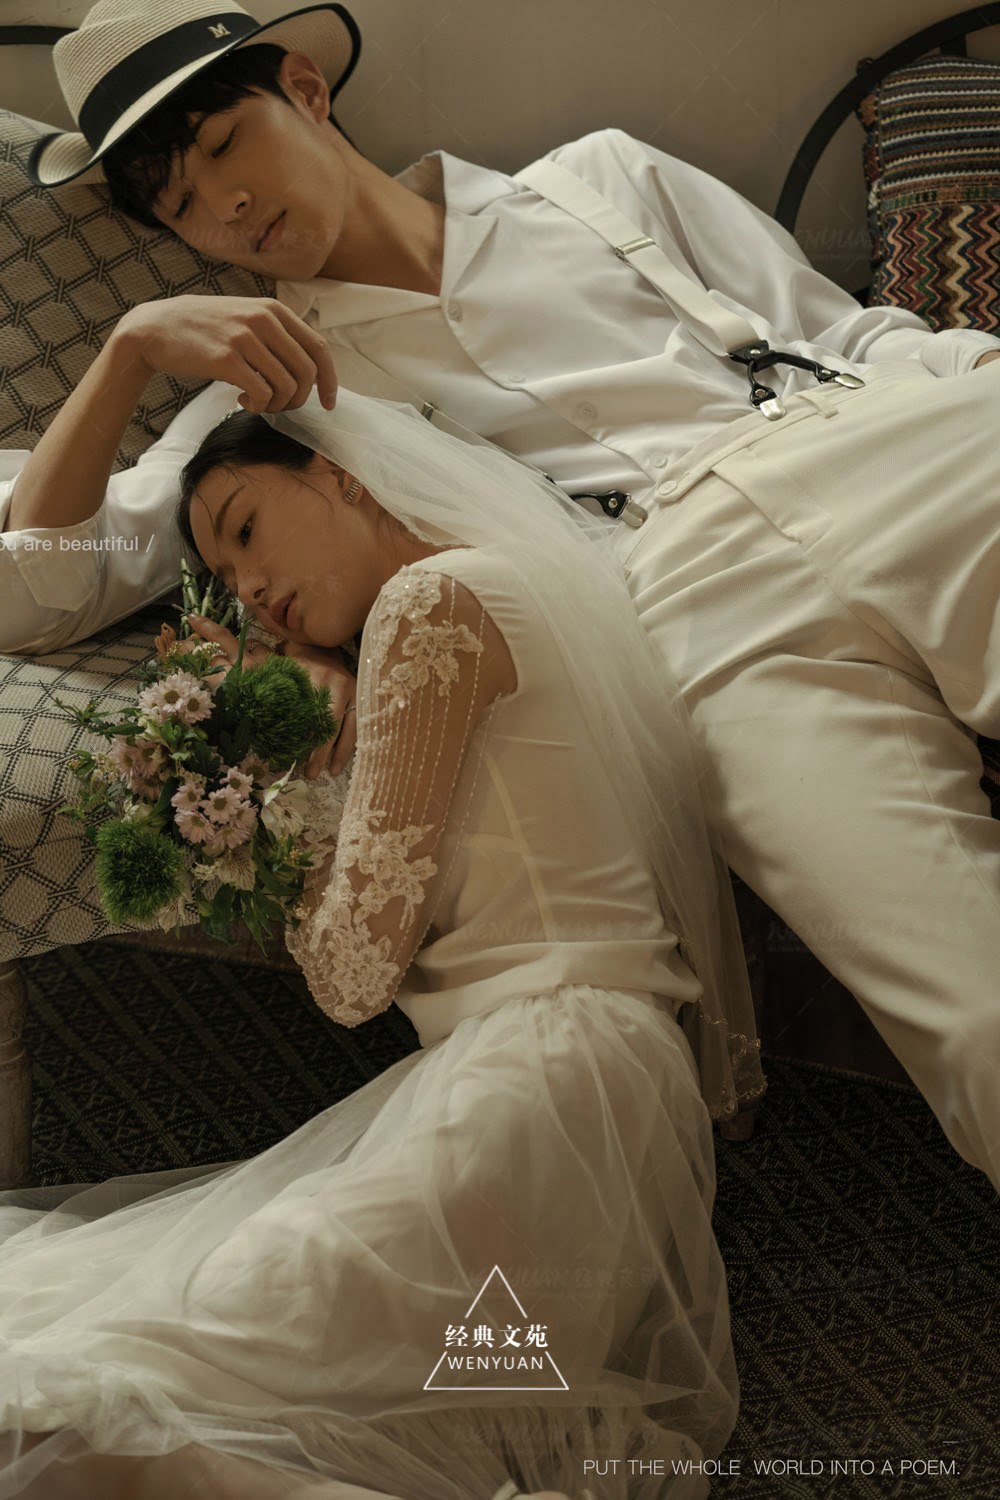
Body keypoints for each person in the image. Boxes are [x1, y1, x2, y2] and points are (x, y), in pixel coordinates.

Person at [3, 0, 1000, 1187]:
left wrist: (974, 380)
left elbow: (842, 332)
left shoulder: (599, 181)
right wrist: (127, 350)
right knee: (960, 1001)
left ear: (307, 92)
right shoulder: (267, 399)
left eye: (225, 145)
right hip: (694, 613)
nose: (223, 205)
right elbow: (41, 591)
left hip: (869, 449)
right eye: (180, 204)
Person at [0, 384, 765, 1500]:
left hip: (537, 1092)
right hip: (593, 1100)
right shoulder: (495, 586)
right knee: (129, 1370)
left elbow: (351, 978)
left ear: (340, 474)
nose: (249, 587)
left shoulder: (429, 605)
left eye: (247, 528)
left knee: (95, 1400)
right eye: (226, 574)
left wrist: (281, 773)